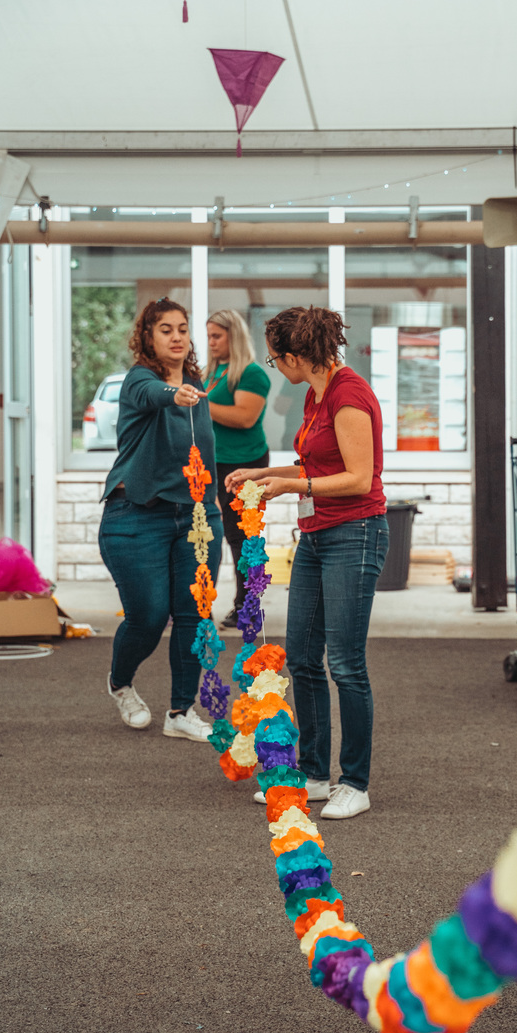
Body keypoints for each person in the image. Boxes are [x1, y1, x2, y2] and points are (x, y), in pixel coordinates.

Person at [225, 306, 389, 820]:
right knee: (301, 658)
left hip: (355, 533)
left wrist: (290, 485)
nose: (278, 369)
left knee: (345, 663)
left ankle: (354, 783)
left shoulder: (348, 394)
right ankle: (316, 773)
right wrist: (263, 470)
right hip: (318, 535)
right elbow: (317, 464)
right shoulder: (317, 395)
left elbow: (359, 477)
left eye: (276, 361)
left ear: (297, 356)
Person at [98, 298, 223, 742]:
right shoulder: (139, 381)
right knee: (148, 616)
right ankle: (120, 681)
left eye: (183, 329)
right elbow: (152, 395)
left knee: (195, 614)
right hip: (136, 517)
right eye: (165, 329)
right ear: (148, 337)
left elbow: (203, 451)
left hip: (196, 517)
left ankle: (180, 712)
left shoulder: (197, 384)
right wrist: (174, 393)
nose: (176, 336)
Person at [203, 309, 271, 629]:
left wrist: (200, 402)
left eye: (217, 336)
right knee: (226, 533)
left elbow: (244, 417)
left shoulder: (252, 374)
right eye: (209, 336)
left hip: (246, 462)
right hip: (217, 463)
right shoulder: (213, 372)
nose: (211, 342)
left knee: (243, 536)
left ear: (235, 336)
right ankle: (241, 604)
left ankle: (249, 606)